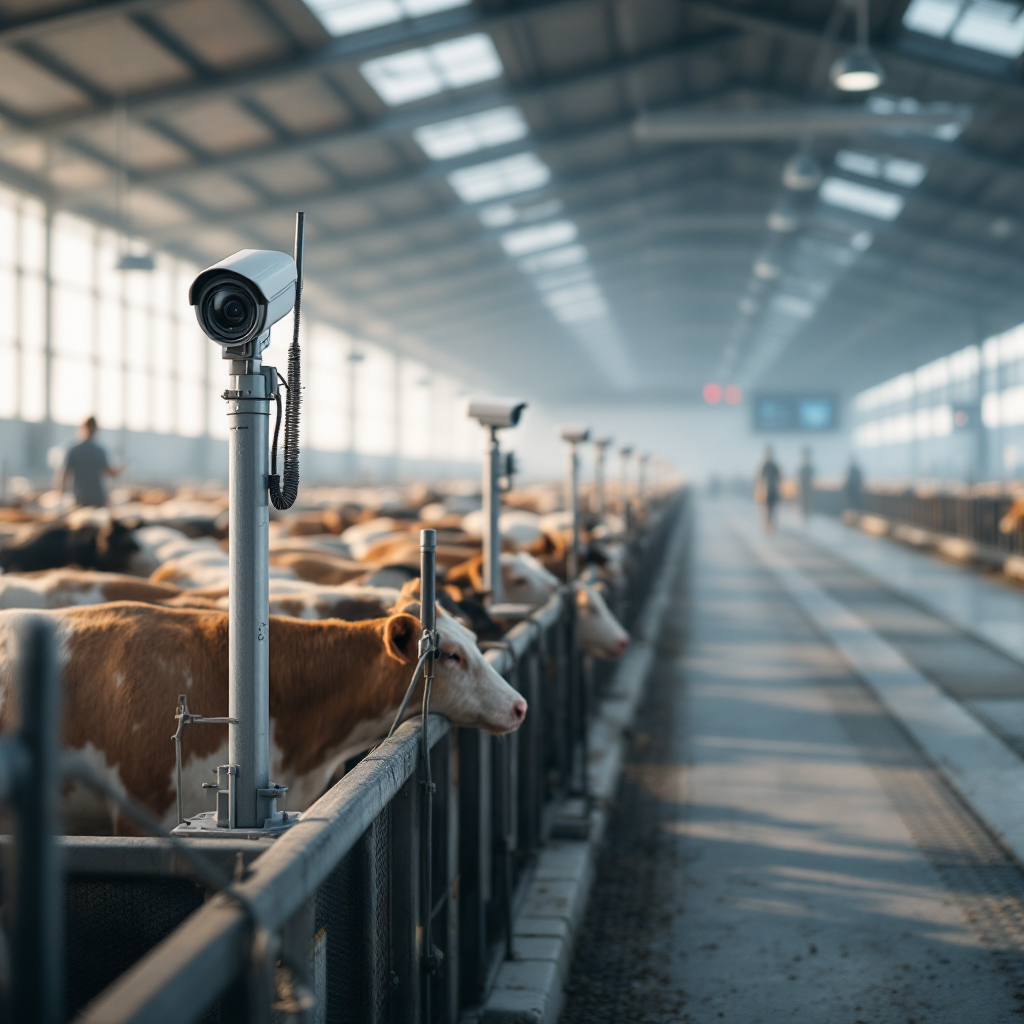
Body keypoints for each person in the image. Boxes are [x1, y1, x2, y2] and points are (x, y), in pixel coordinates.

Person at [58, 416, 123, 508]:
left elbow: (64, 476)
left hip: (81, 499)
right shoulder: (100, 451)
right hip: (98, 499)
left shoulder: (73, 450)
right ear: (96, 430)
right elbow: (112, 473)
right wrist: (120, 469)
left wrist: (60, 495)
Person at [759, 446, 782, 532]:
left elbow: (779, 479)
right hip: (766, 491)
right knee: (767, 509)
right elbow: (760, 479)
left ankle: (772, 525)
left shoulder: (773, 466)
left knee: (773, 509)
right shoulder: (765, 466)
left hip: (773, 490)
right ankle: (768, 525)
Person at [798, 447, 815, 522]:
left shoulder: (809, 469)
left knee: (807, 505)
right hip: (803, 489)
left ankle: (807, 518)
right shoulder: (802, 469)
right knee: (803, 504)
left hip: (808, 489)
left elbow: (813, 479)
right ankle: (804, 518)